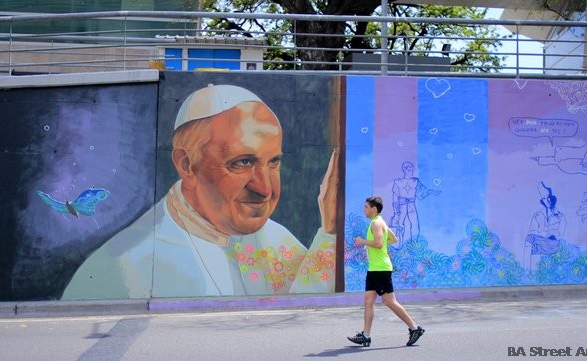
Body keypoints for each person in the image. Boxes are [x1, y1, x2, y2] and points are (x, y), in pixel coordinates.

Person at [61, 84, 338, 299]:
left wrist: (329, 233)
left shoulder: (274, 238)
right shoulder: (121, 267)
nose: (264, 189)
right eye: (242, 162)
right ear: (187, 165)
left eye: (273, 161)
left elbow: (304, 309)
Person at [348, 196, 425, 347]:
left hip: (380, 269)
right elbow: (393, 239)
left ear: (374, 209)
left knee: (389, 301)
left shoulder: (376, 223)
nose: (364, 209)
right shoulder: (379, 221)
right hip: (374, 269)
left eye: (366, 207)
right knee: (368, 301)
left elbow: (378, 243)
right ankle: (366, 335)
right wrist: (375, 244)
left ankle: (415, 328)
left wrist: (363, 241)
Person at [390, 161, 440, 247]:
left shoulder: (415, 181)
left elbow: (422, 192)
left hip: (411, 206)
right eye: (408, 169)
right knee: (400, 225)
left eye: (411, 169)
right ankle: (399, 244)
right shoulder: (398, 182)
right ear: (404, 170)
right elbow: (395, 197)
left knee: (415, 225)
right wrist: (395, 210)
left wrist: (431, 192)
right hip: (401, 206)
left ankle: (413, 245)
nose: (410, 171)